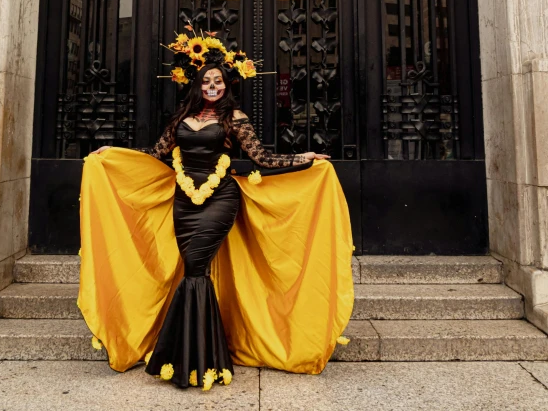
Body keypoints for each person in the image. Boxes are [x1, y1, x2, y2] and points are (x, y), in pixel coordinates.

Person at [78, 31, 354, 391]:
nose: (212, 86)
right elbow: (155, 153)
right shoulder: (181, 117)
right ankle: (192, 353)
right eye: (207, 81)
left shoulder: (234, 117)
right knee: (193, 270)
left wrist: (305, 158)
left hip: (220, 200)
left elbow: (263, 158)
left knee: (195, 268)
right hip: (184, 201)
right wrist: (113, 153)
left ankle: (197, 357)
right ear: (197, 85)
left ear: (226, 85)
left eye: (218, 81)